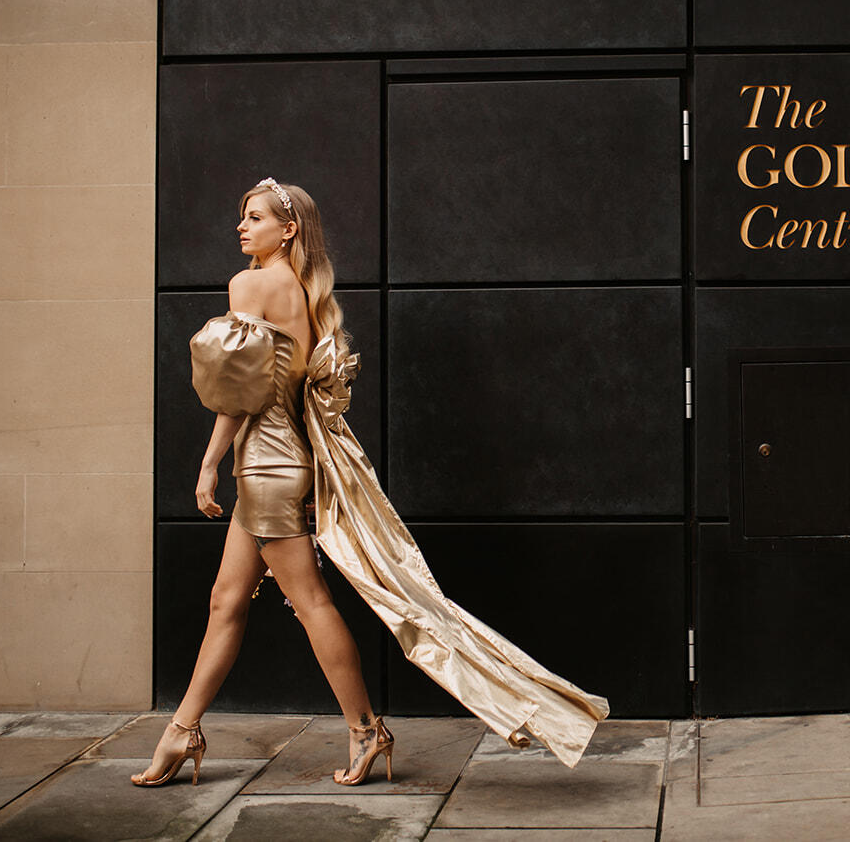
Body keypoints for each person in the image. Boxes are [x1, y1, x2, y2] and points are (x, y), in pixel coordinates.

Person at [133, 178, 608, 788]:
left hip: (266, 466)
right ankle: (183, 730)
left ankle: (364, 729)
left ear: (288, 230)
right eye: (242, 217)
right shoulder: (305, 293)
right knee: (227, 600)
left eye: (255, 218)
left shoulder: (250, 286)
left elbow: (238, 392)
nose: (241, 227)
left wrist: (208, 464)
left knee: (311, 604)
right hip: (287, 460)